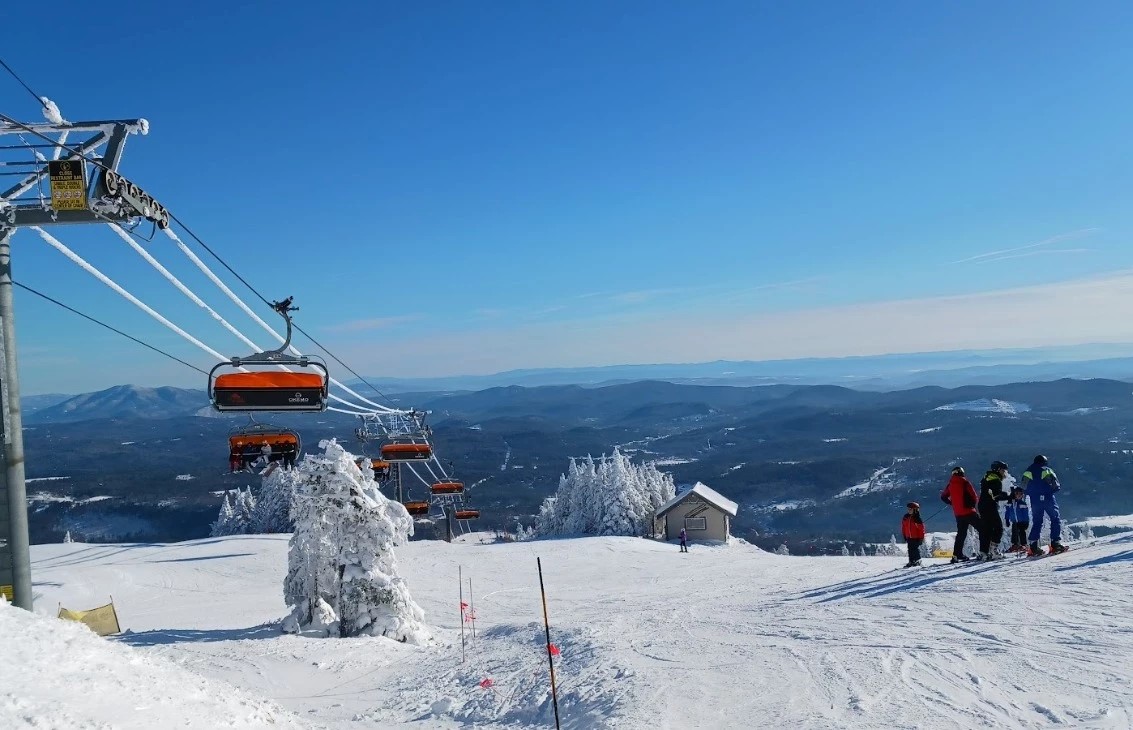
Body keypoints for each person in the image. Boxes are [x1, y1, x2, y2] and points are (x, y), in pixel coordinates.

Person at [1021, 454, 1065, 556]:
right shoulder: (1047, 470)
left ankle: (1033, 546)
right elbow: (1056, 485)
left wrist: (1031, 493)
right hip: (1048, 498)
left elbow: (1023, 486)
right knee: (1055, 519)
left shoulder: (1028, 471)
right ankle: (1055, 543)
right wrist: (1050, 490)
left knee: (1037, 521)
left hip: (1035, 500)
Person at [940, 466, 981, 563]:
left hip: (958, 514)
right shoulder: (965, 482)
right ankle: (985, 551)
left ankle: (957, 555)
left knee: (961, 534)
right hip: (969, 512)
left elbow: (943, 497)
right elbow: (974, 497)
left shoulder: (950, 484)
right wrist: (971, 505)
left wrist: (952, 503)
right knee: (982, 528)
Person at [978, 461, 1011, 559]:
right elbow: (996, 496)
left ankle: (983, 552)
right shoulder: (995, 480)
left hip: (982, 505)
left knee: (987, 529)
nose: (1004, 473)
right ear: (998, 470)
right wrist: (1009, 496)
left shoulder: (987, 477)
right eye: (1003, 470)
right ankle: (994, 550)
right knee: (998, 528)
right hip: (989, 506)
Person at [1004, 486, 1030, 552]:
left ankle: (1023, 544)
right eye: (1018, 494)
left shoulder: (1022, 504)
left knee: (1022, 532)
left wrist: (1026, 522)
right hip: (1015, 521)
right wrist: (1007, 519)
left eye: (1021, 494)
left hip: (1022, 522)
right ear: (1015, 494)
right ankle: (1015, 544)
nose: (1020, 495)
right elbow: (1007, 512)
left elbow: (1026, 514)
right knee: (1014, 532)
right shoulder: (1010, 503)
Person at [901, 502, 926, 567]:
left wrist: (921, 538)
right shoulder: (906, 517)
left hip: (916, 537)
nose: (909, 510)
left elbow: (921, 529)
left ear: (915, 510)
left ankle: (917, 560)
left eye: (910, 509)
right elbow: (903, 527)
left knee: (915, 549)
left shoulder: (917, 519)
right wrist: (904, 535)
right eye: (908, 509)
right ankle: (911, 561)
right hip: (909, 537)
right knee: (910, 549)